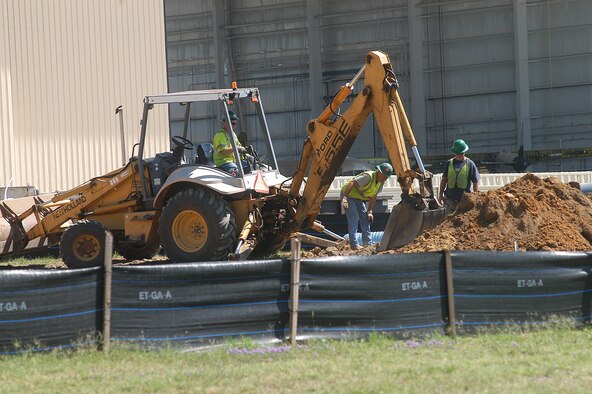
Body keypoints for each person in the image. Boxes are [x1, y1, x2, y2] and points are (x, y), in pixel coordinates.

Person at [341, 162, 393, 250]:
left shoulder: (381, 182)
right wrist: (345, 198)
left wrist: (369, 211)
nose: (385, 179)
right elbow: (352, 183)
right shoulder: (368, 176)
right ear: (379, 172)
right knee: (354, 218)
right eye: (384, 176)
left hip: (358, 198)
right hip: (349, 195)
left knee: (365, 218)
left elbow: (374, 196)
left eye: (386, 177)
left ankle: (367, 244)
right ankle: (354, 244)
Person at [438, 139, 480, 210]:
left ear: (464, 152)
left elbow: (475, 182)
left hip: (464, 201)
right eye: (457, 153)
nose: (459, 155)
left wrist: (475, 197)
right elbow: (444, 179)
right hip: (449, 200)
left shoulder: (470, 164)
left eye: (461, 153)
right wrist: (440, 195)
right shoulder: (449, 163)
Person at [213, 111, 249, 176]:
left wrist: (246, 151)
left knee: (252, 167)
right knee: (238, 173)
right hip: (223, 163)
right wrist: (236, 148)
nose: (234, 125)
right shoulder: (219, 136)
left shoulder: (233, 134)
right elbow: (223, 151)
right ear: (224, 122)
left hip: (234, 161)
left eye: (235, 123)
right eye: (232, 123)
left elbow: (239, 147)